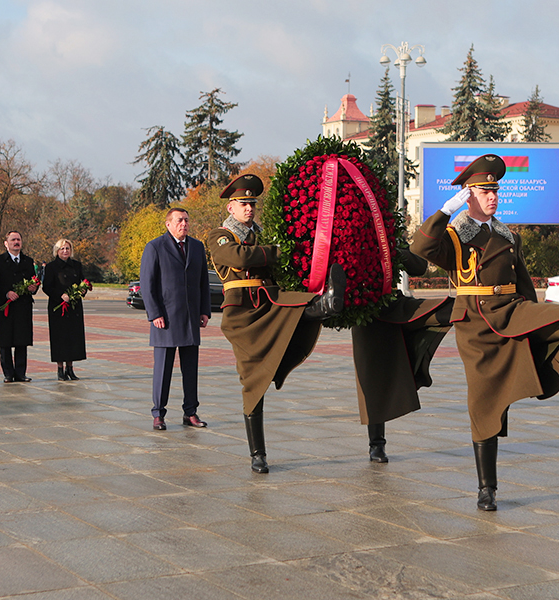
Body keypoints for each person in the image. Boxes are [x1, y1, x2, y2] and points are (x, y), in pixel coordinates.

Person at [411, 154, 559, 511]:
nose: (493, 196)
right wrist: (443, 212)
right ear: (469, 195)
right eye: (484, 191)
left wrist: (535, 321)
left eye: (495, 190)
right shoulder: (455, 235)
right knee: (484, 403)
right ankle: (487, 489)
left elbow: (524, 283)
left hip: (512, 308)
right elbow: (419, 250)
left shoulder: (508, 234)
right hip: (477, 323)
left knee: (553, 318)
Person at [207, 174, 345, 473]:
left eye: (252, 204)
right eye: (243, 204)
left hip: (268, 302)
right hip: (242, 314)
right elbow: (238, 257)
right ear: (230, 208)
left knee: (297, 304)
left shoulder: (258, 235)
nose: (249, 209)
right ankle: (258, 453)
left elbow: (271, 263)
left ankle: (324, 304)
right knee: (252, 380)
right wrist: (276, 252)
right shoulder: (220, 235)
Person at [351, 250, 453, 462]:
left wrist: (393, 247)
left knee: (450, 308)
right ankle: (376, 444)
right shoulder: (351, 233)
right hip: (363, 309)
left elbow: (420, 268)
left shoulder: (387, 233)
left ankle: (415, 372)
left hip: (393, 304)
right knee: (371, 378)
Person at [141, 208, 211, 430]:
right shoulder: (155, 247)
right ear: (168, 224)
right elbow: (147, 284)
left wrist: (204, 311)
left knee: (191, 369)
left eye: (187, 220)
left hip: (191, 319)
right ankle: (158, 414)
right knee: (163, 370)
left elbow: (203, 282)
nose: (184, 224)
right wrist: (155, 314)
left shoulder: (197, 247)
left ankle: (190, 412)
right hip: (166, 319)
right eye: (179, 220)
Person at [0, 231, 38, 382]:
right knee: (6, 341)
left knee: (22, 340)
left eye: (18, 239)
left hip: (23, 306)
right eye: (13, 240)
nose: (16, 242)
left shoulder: (28, 261)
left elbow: (33, 281)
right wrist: (6, 292)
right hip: (6, 306)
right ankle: (8, 374)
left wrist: (33, 288)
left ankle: (21, 373)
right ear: (6, 243)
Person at [42, 239, 88, 381]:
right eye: (62, 248)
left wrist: (82, 291)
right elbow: (46, 287)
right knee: (60, 338)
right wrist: (60, 296)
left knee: (73, 338)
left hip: (74, 307)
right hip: (59, 307)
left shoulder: (77, 265)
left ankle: (70, 368)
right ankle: (60, 369)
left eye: (67, 248)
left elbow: (83, 281)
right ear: (57, 250)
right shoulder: (51, 267)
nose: (65, 251)